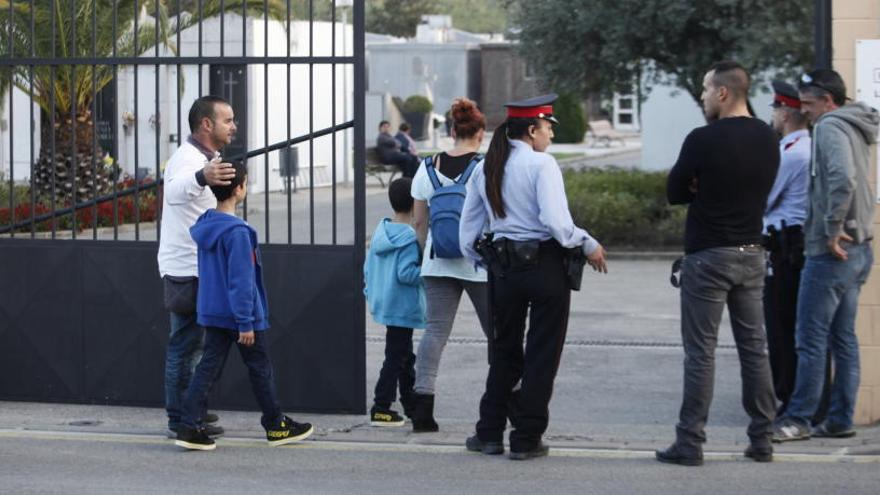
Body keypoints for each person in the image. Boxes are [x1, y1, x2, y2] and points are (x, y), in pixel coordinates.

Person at [459, 94, 608, 460]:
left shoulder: (485, 167)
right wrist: (587, 243)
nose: (551, 136)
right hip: (544, 268)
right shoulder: (542, 165)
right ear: (531, 130)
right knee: (542, 355)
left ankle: (489, 431)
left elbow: (467, 232)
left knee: (504, 352)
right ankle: (525, 439)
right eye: (548, 128)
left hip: (504, 271)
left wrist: (486, 261)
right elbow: (558, 225)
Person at [657, 61, 779, 466]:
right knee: (755, 349)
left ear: (724, 93)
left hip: (708, 256)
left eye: (707, 88)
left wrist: (700, 186)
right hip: (752, 254)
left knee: (701, 353)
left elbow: (675, 190)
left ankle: (690, 443)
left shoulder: (702, 139)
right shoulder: (768, 137)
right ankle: (762, 439)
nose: (704, 95)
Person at [175, 161, 314, 450]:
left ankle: (188, 425)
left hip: (213, 312)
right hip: (241, 316)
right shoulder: (237, 232)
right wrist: (245, 321)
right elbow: (241, 280)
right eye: (246, 183)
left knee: (207, 369)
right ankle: (275, 425)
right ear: (239, 189)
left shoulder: (206, 224)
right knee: (260, 367)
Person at [772, 69, 878, 442]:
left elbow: (843, 179)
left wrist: (832, 229)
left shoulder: (831, 127)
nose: (806, 112)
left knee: (810, 338)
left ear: (828, 101)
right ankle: (839, 418)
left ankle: (797, 418)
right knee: (843, 339)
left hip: (831, 252)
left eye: (810, 104)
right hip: (860, 249)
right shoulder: (855, 125)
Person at [409, 98, 493, 433]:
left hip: (437, 262)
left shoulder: (426, 167)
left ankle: (422, 409)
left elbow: (418, 222)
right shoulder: (486, 167)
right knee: (497, 334)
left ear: (452, 131)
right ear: (481, 133)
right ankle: (505, 403)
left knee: (435, 332)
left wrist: (428, 250)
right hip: (479, 264)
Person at [158, 95, 238, 438]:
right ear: (207, 124)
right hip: (184, 269)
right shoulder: (187, 159)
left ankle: (193, 411)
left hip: (201, 267)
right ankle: (179, 418)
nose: (233, 126)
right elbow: (174, 192)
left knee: (198, 346)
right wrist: (201, 177)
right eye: (227, 120)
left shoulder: (209, 157)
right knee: (184, 345)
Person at [763, 81, 811, 417]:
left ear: (785, 113)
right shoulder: (796, 147)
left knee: (781, 325)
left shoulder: (793, 153)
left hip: (784, 248)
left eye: (776, 109)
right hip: (786, 244)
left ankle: (787, 396)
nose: (774, 115)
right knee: (783, 324)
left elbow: (764, 198)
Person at [363, 177, 426, 427]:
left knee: (403, 355)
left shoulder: (382, 231)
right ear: (415, 204)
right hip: (402, 306)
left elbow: (367, 268)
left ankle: (410, 403)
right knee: (396, 356)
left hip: (386, 303)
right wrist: (427, 271)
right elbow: (406, 273)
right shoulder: (409, 238)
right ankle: (381, 405)